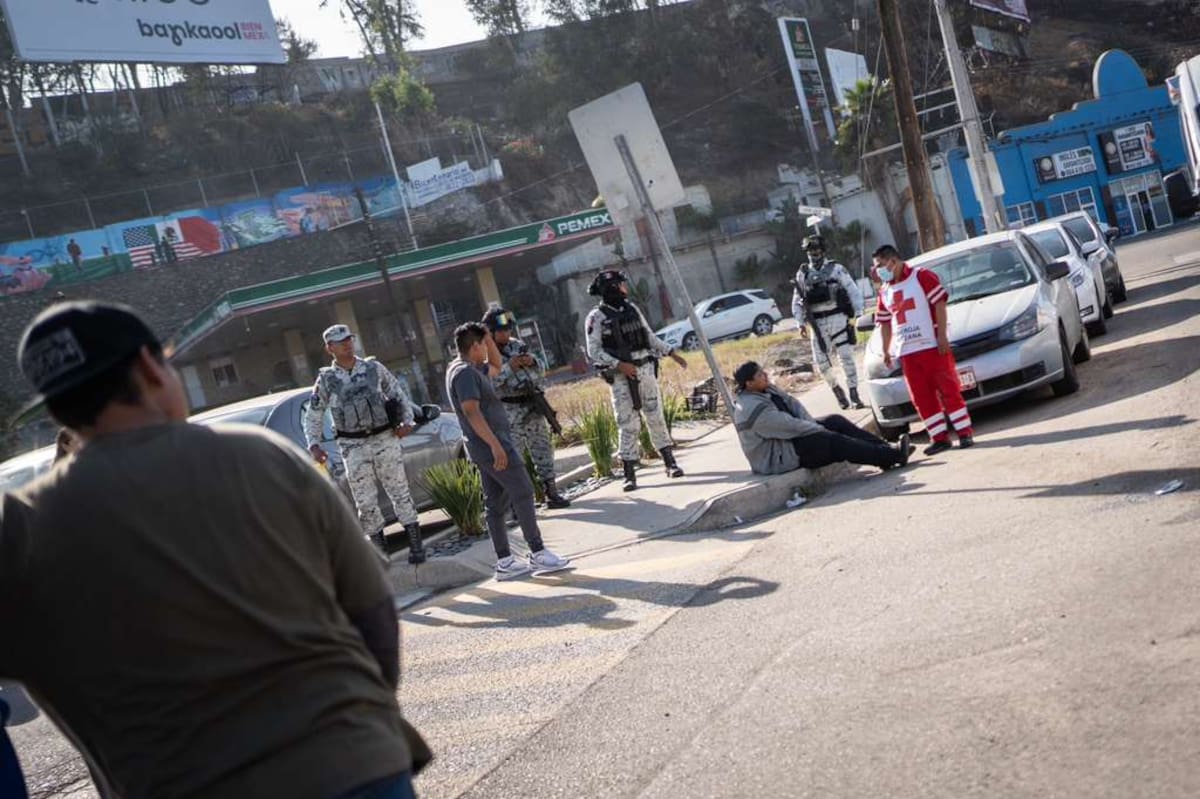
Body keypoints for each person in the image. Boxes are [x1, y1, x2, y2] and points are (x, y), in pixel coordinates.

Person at [1, 301, 425, 799]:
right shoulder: (261, 457)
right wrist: (354, 723)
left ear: (56, 410)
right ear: (148, 367)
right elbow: (373, 612)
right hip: (351, 766)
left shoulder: (23, 530)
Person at [446, 322, 569, 580]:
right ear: (475, 346)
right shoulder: (465, 374)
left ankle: (505, 560)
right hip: (492, 445)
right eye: (484, 343)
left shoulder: (463, 368)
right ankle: (537, 551)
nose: (488, 347)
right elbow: (471, 411)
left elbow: (497, 366)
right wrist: (495, 445)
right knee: (523, 490)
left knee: (495, 503)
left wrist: (488, 337)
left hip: (484, 446)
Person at [305, 324, 426, 564]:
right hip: (352, 445)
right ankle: (381, 555)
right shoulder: (326, 380)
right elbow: (314, 413)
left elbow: (397, 394)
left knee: (399, 492)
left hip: (384, 438)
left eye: (349, 339)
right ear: (330, 348)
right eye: (341, 342)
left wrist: (407, 421)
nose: (347, 344)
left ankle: (416, 546)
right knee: (365, 502)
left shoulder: (373, 368)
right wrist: (314, 444)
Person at [584, 269, 689, 492]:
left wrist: (671, 353)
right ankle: (629, 474)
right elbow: (593, 350)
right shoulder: (596, 317)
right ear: (612, 288)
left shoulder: (632, 309)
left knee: (655, 416)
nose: (625, 287)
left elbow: (649, 337)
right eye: (621, 284)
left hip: (645, 370)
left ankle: (670, 463)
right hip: (622, 377)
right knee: (628, 424)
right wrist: (619, 364)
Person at [871, 244, 975, 455]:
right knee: (921, 397)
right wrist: (886, 351)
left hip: (931, 346)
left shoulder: (921, 277)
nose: (878, 270)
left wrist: (942, 336)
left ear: (893, 261)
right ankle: (939, 438)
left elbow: (939, 305)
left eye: (880, 265)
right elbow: (884, 323)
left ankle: (964, 432)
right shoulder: (885, 291)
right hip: (906, 352)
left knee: (948, 390)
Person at [732, 361, 911, 475]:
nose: (765, 376)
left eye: (763, 372)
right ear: (749, 383)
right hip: (779, 455)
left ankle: (884, 449)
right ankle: (893, 456)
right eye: (760, 375)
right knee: (831, 441)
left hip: (791, 438)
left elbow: (793, 404)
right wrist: (816, 429)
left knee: (834, 421)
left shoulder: (766, 389)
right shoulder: (751, 408)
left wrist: (812, 424)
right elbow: (788, 427)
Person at [483, 306, 570, 509]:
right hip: (508, 410)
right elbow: (488, 383)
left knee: (543, 449)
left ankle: (551, 492)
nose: (507, 334)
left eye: (508, 330)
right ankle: (518, 505)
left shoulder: (517, 345)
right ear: (491, 332)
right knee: (514, 457)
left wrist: (532, 361)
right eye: (502, 330)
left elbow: (541, 368)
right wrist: (508, 368)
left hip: (531, 403)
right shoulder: (487, 354)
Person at [791, 233, 865, 410]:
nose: (813, 253)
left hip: (838, 318)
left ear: (823, 250)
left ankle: (854, 392)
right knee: (821, 363)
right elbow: (797, 298)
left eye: (816, 249)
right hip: (817, 323)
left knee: (846, 357)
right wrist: (800, 322)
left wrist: (858, 313)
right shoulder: (802, 273)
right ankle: (837, 390)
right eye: (810, 250)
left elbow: (852, 290)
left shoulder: (836, 269)